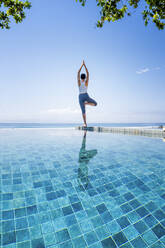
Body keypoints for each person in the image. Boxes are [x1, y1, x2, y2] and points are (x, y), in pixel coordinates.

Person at [77, 60, 97, 127]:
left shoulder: (79, 82)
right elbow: (88, 73)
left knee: (83, 111)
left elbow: (78, 72)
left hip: (81, 96)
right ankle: (87, 103)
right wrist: (84, 65)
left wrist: (82, 65)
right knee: (95, 104)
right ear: (85, 78)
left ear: (80, 78)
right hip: (86, 95)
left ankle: (85, 123)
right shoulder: (86, 82)